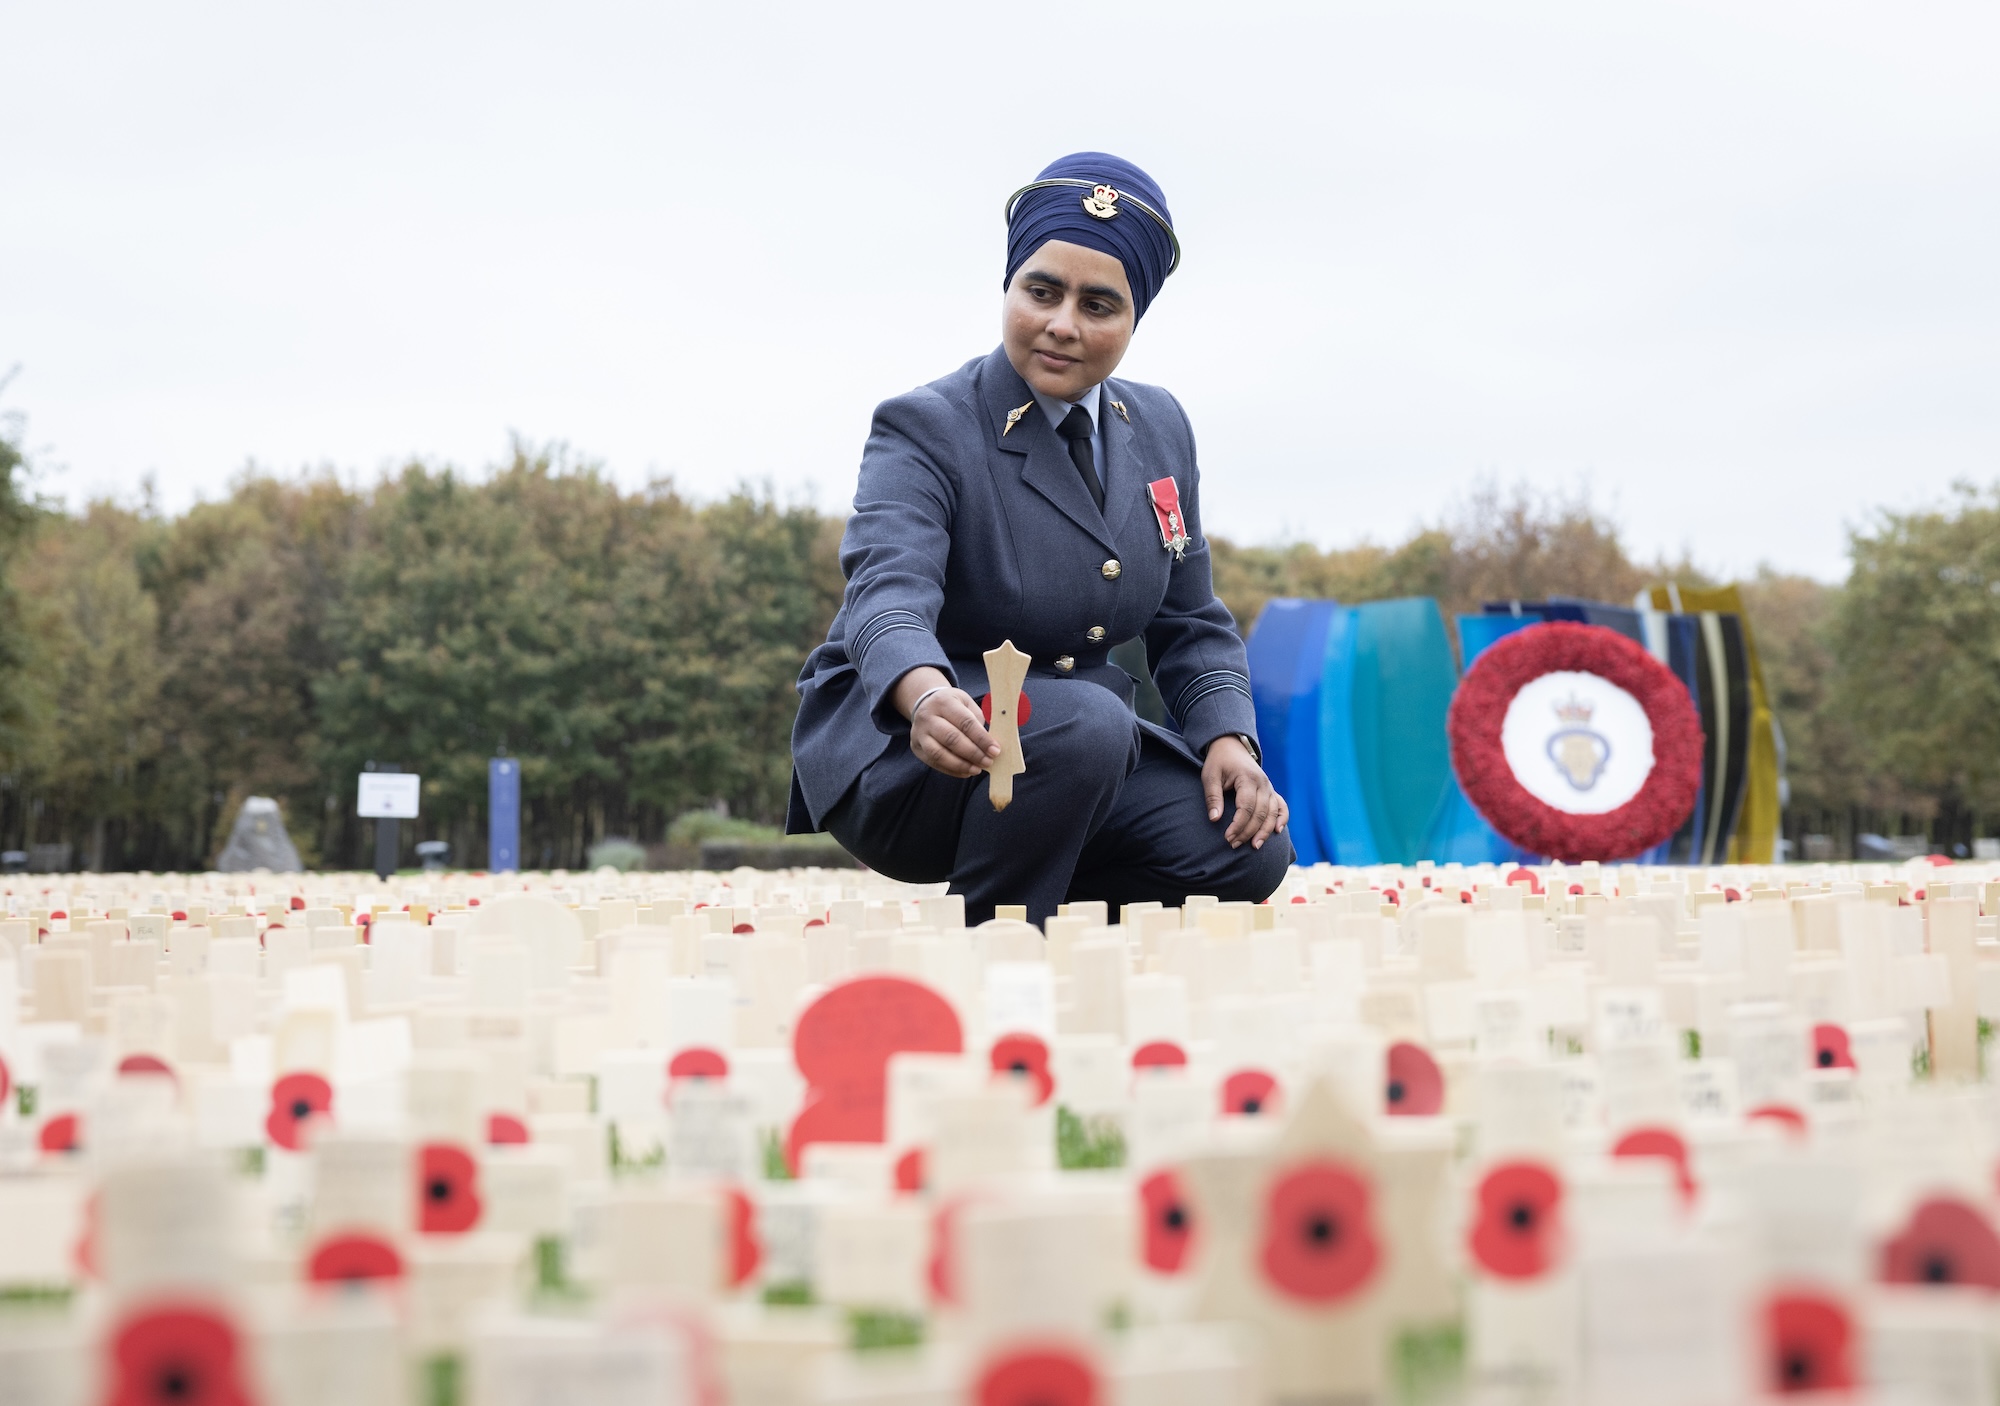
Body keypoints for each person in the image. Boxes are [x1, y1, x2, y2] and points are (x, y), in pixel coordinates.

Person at [786, 151, 1291, 925]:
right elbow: (886, 594)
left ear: (1133, 320)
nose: (1062, 324)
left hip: (1074, 755)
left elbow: (1190, 621)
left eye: (1098, 305)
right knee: (1088, 723)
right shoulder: (927, 426)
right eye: (1042, 291)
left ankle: (1049, 899)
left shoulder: (1160, 428)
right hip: (913, 746)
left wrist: (1229, 740)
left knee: (1246, 847)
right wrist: (921, 692)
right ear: (1009, 286)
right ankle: (999, 941)